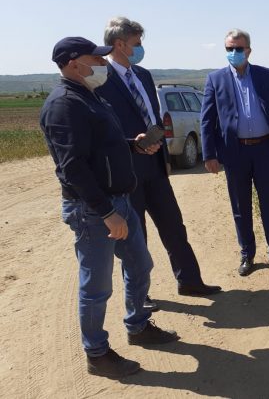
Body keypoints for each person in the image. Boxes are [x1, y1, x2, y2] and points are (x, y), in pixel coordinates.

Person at [40, 37, 179, 378]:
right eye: (97, 60)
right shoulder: (64, 105)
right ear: (74, 64)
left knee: (140, 264)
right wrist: (106, 212)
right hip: (93, 211)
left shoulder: (90, 96)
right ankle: (97, 354)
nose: (103, 64)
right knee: (96, 286)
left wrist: (134, 145)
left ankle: (138, 325)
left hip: (119, 200)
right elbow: (72, 168)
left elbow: (100, 147)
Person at [96, 17, 220, 306]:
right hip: (126, 168)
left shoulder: (143, 75)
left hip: (154, 166)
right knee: (135, 236)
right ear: (119, 44)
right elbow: (102, 127)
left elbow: (153, 117)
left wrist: (164, 157)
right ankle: (140, 296)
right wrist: (132, 143)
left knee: (174, 226)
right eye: (137, 43)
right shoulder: (101, 78)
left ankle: (189, 281)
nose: (141, 49)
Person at [200, 29, 269, 277]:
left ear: (248, 50)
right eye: (229, 49)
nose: (233, 52)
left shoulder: (265, 75)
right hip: (235, 152)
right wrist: (209, 154)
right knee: (240, 207)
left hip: (264, 149)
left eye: (238, 48)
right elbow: (207, 120)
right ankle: (247, 255)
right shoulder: (215, 79)